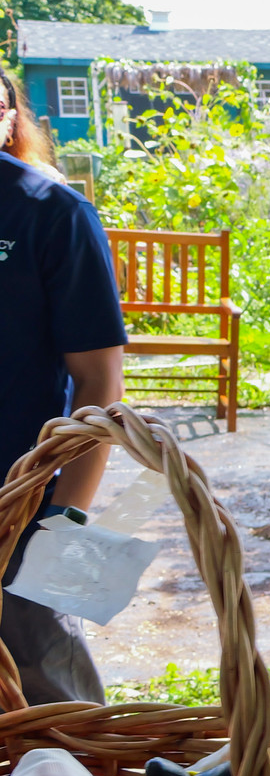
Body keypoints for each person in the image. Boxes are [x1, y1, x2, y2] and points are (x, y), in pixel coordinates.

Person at [0, 65, 128, 706]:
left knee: (56, 704)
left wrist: (66, 519)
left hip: (20, 508)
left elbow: (99, 381)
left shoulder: (52, 212)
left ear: (7, 116)